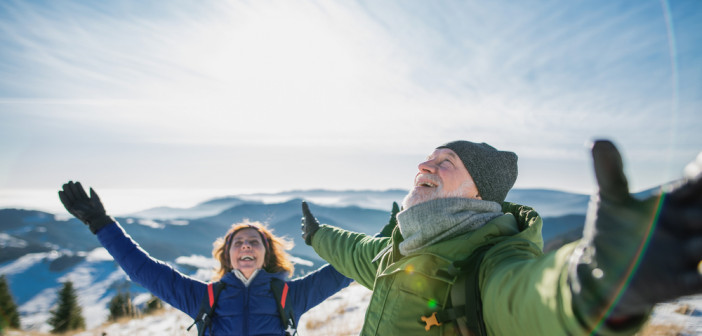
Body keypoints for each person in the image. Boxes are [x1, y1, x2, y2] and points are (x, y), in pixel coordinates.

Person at [301, 139, 702, 335]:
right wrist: (317, 235)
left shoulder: (489, 261)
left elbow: (524, 295)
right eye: (430, 156)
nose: (425, 164)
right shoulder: (401, 248)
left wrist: (595, 284)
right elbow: (354, 251)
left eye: (447, 162)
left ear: (478, 191)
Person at [59, 181, 352, 336]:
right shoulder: (202, 298)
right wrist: (101, 223)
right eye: (238, 243)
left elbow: (347, 267)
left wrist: (391, 237)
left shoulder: (291, 296)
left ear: (267, 253)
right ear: (228, 256)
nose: (246, 246)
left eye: (254, 241)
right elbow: (142, 269)